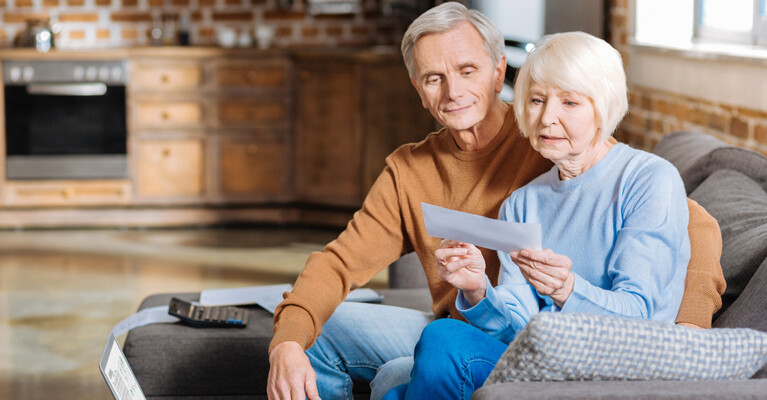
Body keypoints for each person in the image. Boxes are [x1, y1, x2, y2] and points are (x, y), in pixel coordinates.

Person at [267, 3, 726, 400]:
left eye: (467, 71)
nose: (453, 91)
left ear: (497, 70)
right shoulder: (422, 173)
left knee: (405, 371)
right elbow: (339, 263)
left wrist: (686, 337)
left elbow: (695, 226)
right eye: (434, 78)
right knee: (313, 336)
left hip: (550, 338)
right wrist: (285, 343)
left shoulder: (550, 141)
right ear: (417, 87)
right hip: (485, 326)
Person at [384, 30, 695, 400]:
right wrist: (478, 290)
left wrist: (567, 290)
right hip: (543, 362)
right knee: (407, 376)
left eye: (569, 102)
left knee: (428, 355)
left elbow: (639, 315)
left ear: (603, 106)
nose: (547, 118)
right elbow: (517, 326)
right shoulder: (522, 202)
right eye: (536, 100)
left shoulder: (648, 179)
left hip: (614, 371)